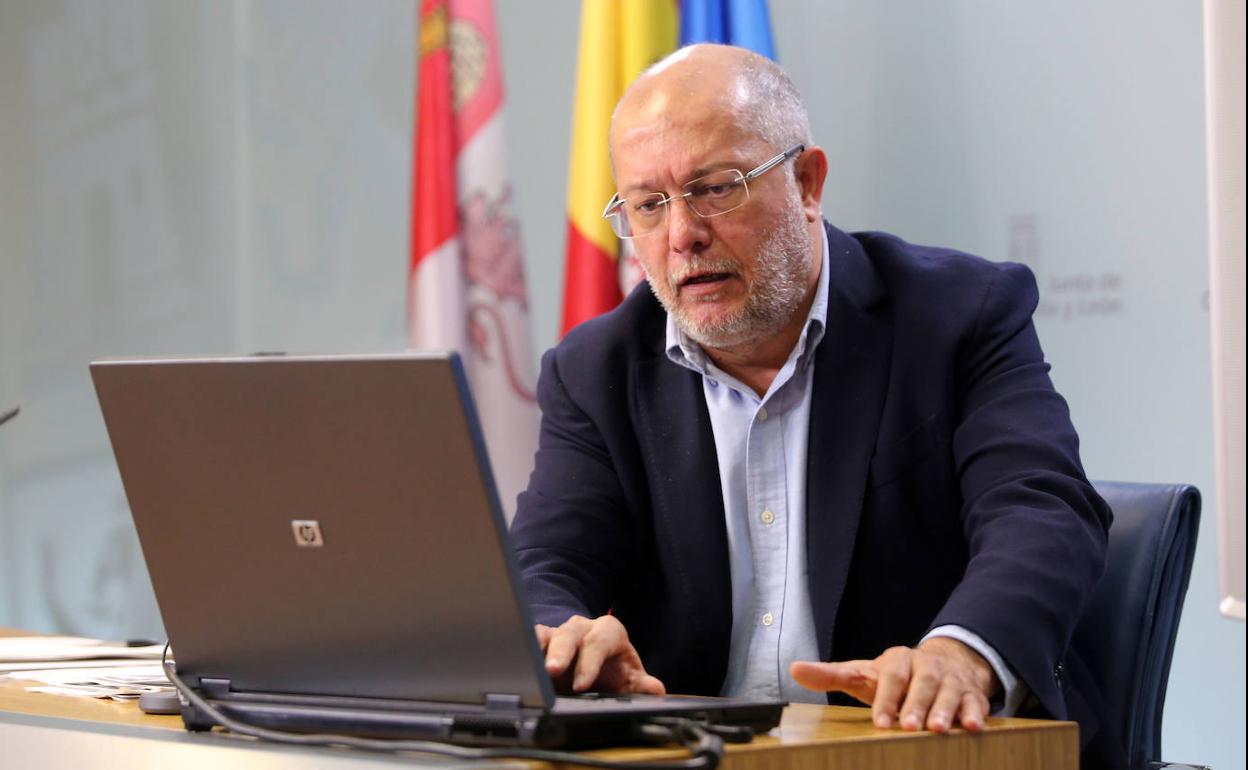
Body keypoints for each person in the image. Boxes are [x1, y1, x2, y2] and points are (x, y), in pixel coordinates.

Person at [510, 43, 1120, 766]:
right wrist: (560, 639)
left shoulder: (959, 315)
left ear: (806, 181)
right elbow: (545, 561)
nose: (682, 235)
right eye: (648, 205)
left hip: (914, 748)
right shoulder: (594, 369)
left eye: (716, 188)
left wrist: (961, 654)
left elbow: (1041, 510)